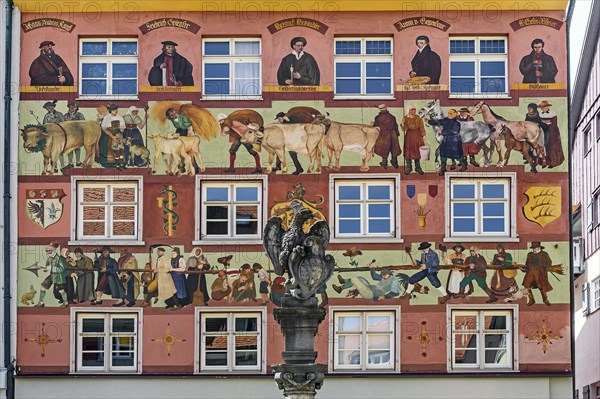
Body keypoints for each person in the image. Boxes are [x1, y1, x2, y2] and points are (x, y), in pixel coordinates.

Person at [426, 109, 467, 175]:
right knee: (443, 154)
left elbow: (454, 132)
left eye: (451, 114)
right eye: (448, 113)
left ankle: (464, 165)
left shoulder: (457, 123)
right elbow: (437, 122)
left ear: (454, 115)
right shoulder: (445, 120)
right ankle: (443, 169)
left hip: (454, 142)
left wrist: (442, 132)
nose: (449, 115)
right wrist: (428, 121)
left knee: (458, 155)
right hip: (445, 140)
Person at [333, 264, 400, 301]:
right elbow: (374, 276)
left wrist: (384, 297)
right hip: (369, 288)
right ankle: (344, 281)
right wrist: (371, 268)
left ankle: (340, 288)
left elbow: (396, 293)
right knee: (360, 278)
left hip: (370, 294)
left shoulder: (393, 281)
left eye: (385, 275)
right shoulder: (384, 278)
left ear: (389, 274)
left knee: (355, 280)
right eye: (382, 275)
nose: (383, 277)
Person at [34, 242, 69, 308]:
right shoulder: (49, 259)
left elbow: (61, 269)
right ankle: (41, 303)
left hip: (58, 277)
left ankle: (66, 303)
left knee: (61, 290)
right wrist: (44, 269)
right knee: (42, 287)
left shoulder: (60, 259)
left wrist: (51, 268)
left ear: (54, 250)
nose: (48, 252)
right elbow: (47, 267)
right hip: (52, 276)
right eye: (47, 251)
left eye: (49, 251)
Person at [522, 241, 553, 306]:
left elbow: (549, 263)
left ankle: (545, 299)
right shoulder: (530, 254)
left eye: (535, 248)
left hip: (540, 273)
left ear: (539, 248)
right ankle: (531, 299)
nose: (534, 250)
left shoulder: (544, 254)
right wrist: (524, 269)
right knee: (526, 285)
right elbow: (527, 264)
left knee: (541, 286)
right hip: (530, 272)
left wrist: (545, 266)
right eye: (533, 248)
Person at [373, 104, 402, 170]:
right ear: (386, 109)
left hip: (384, 135)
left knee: (384, 149)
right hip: (393, 135)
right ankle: (395, 163)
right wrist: (396, 134)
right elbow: (395, 126)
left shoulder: (377, 118)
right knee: (393, 149)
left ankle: (384, 163)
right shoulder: (392, 117)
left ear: (380, 110)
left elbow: (375, 127)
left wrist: (372, 125)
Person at [400, 104, 426, 175]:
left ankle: (417, 167)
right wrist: (402, 124)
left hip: (418, 135)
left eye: (414, 109)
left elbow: (422, 127)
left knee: (417, 151)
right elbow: (404, 129)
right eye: (412, 109)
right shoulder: (406, 118)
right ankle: (409, 167)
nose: (414, 111)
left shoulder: (418, 118)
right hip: (409, 136)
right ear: (408, 110)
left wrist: (423, 136)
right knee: (408, 151)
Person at [537, 100, 565, 168]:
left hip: (552, 131)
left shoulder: (553, 113)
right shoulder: (540, 114)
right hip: (543, 129)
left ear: (547, 107)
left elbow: (554, 123)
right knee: (542, 145)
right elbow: (539, 122)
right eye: (541, 107)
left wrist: (547, 123)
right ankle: (544, 161)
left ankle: (554, 162)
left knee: (552, 146)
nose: (543, 108)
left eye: (544, 107)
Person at [99, 104, 125, 169]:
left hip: (118, 133)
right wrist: (112, 136)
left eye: (116, 110)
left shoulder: (120, 117)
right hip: (108, 134)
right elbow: (104, 129)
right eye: (113, 110)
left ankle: (120, 163)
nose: (115, 111)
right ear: (110, 111)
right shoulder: (107, 117)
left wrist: (120, 131)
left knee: (120, 149)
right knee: (109, 147)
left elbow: (122, 128)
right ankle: (113, 164)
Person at [63, 101, 85, 168]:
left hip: (77, 134)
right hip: (69, 134)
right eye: (70, 107)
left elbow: (83, 123)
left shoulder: (79, 115)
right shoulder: (66, 115)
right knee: (70, 148)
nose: (72, 108)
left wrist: (73, 121)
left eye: (73, 107)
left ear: (76, 108)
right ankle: (70, 163)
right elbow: (62, 124)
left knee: (77, 148)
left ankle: (78, 162)